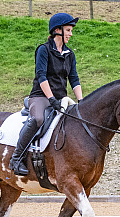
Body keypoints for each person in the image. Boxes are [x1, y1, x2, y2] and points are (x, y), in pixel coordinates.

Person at [9, 12, 84, 176]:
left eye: (71, 31)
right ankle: (16, 159)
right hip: (41, 97)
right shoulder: (43, 50)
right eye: (68, 30)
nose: (71, 34)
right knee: (38, 119)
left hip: (60, 99)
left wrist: (82, 101)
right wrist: (51, 98)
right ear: (57, 30)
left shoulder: (69, 54)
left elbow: (74, 79)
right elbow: (41, 77)